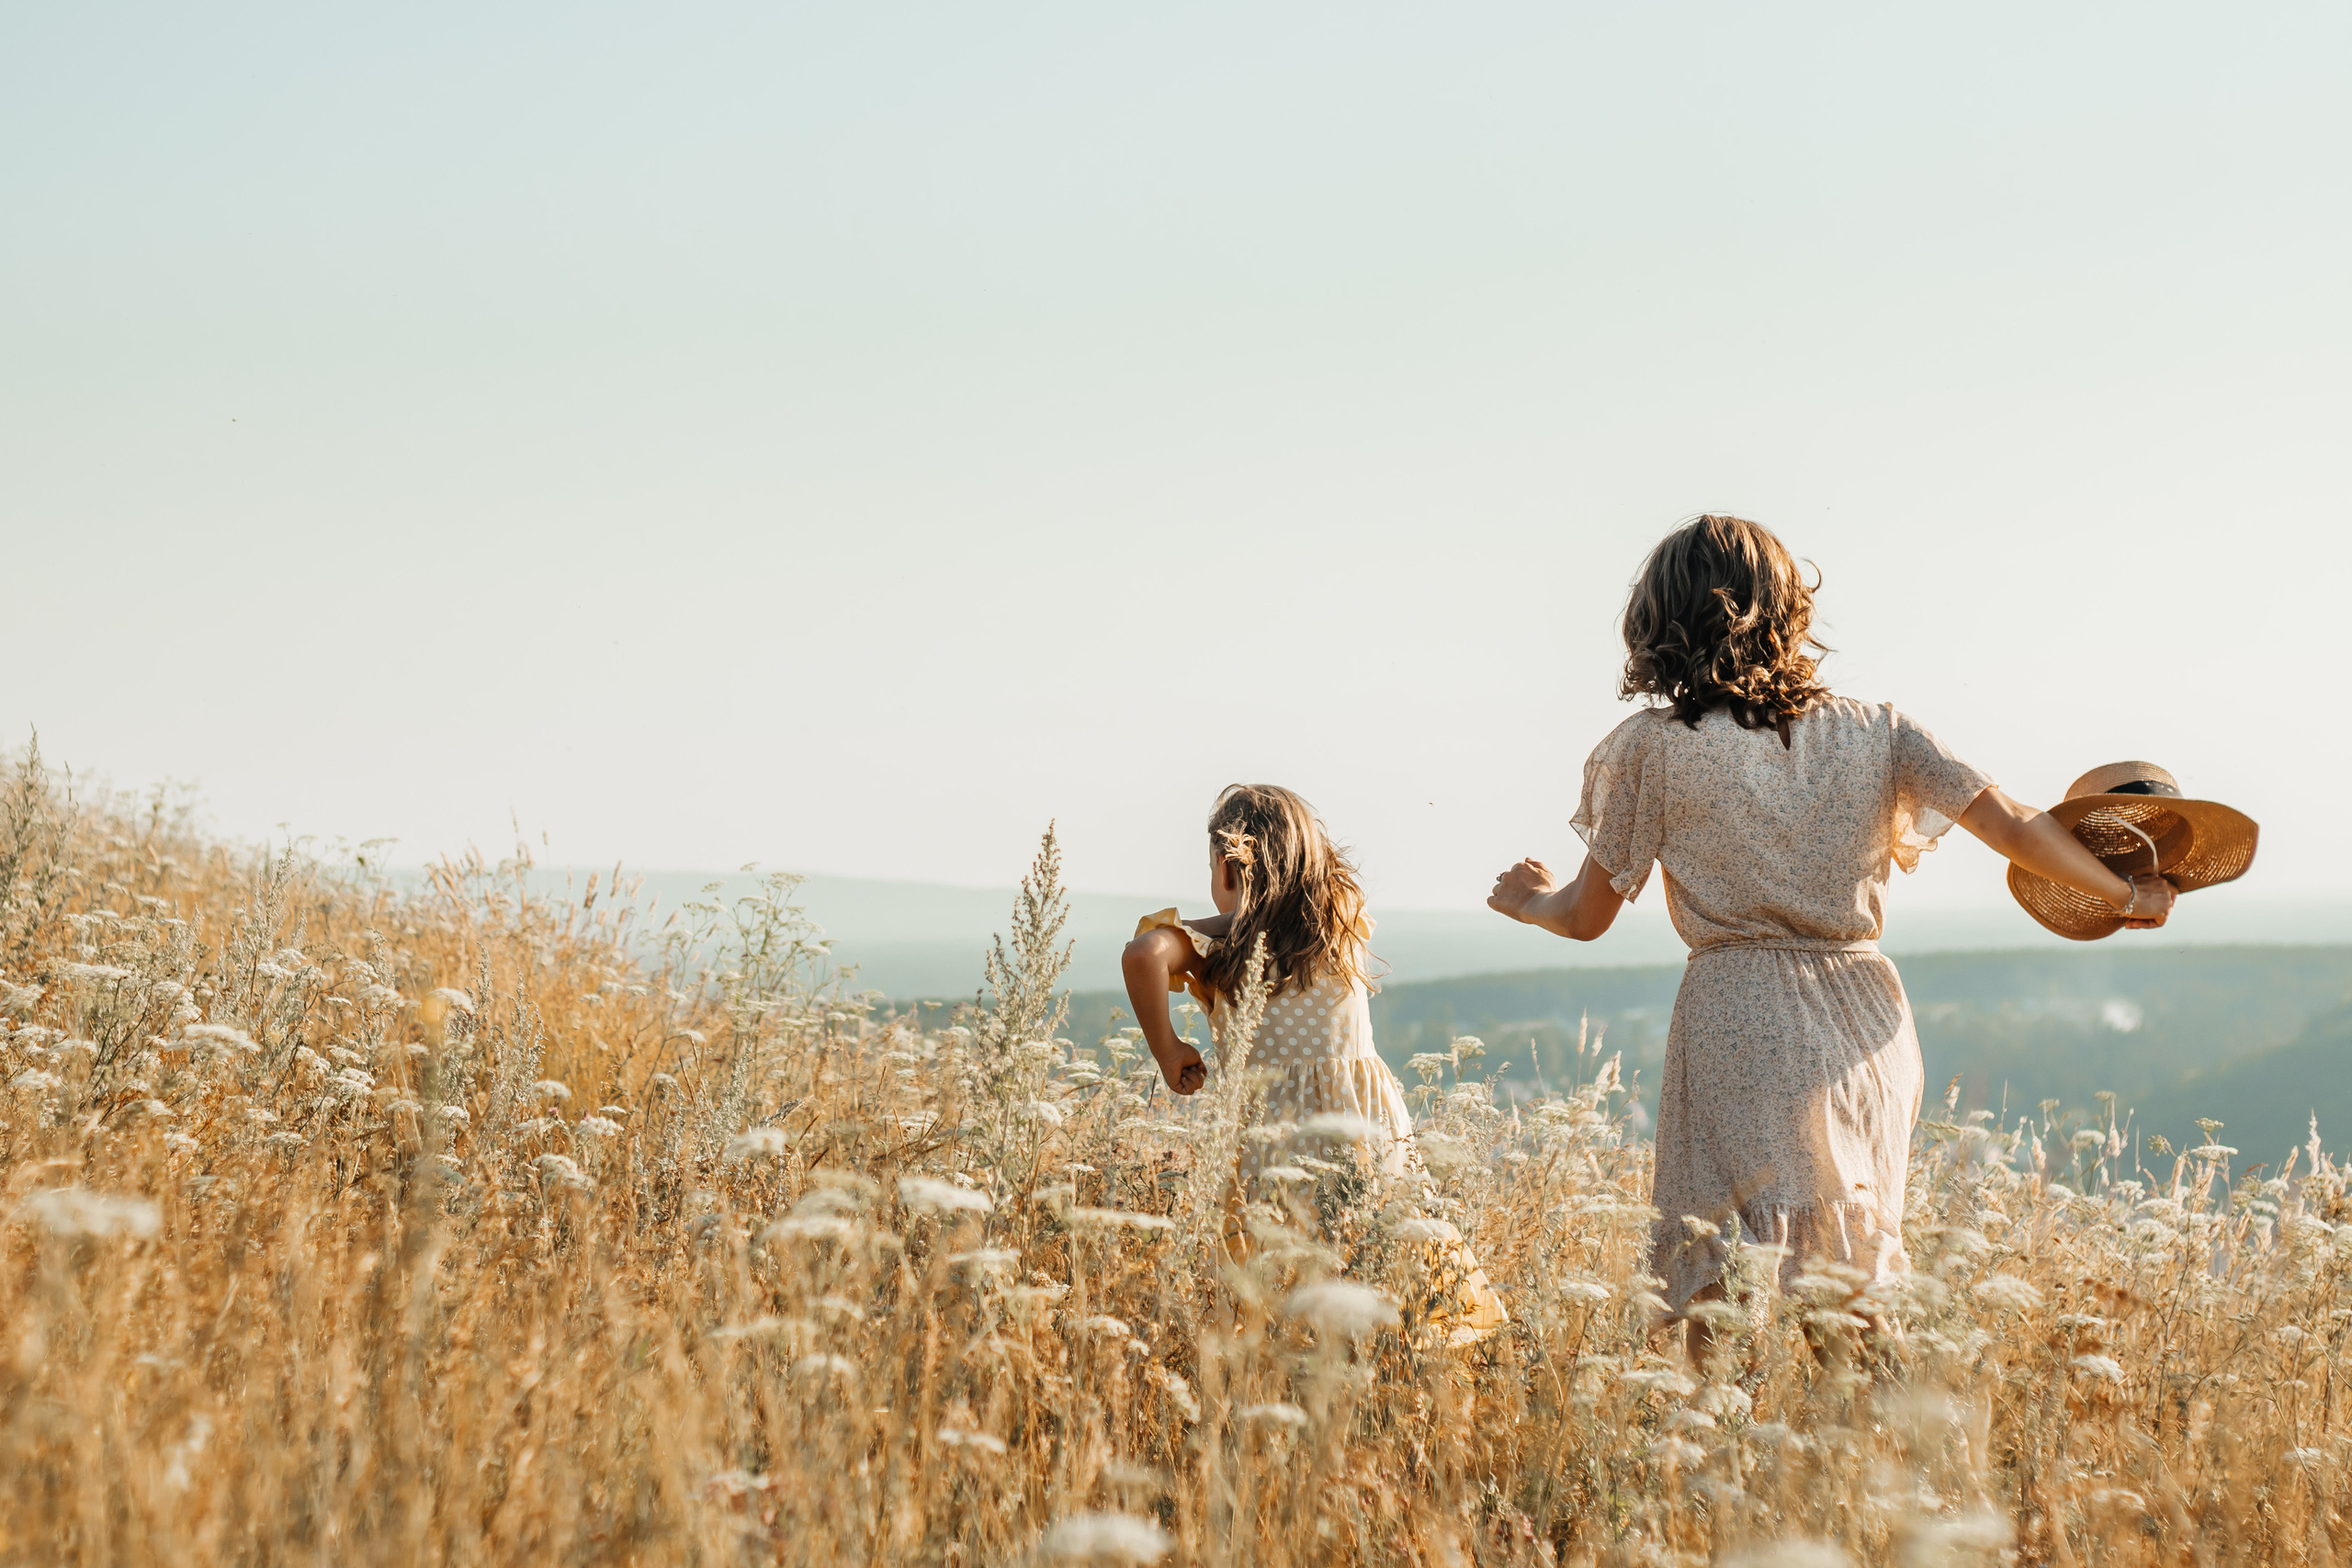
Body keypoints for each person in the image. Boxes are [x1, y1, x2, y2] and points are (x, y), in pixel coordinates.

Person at [1487, 515, 2173, 1364]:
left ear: (1659, 620)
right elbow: (2017, 823)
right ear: (1788, 611)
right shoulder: (1879, 729)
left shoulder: (1649, 751)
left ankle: (1709, 1471)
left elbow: (1587, 915)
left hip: (1739, 1012)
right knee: (1846, 1270)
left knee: (1710, 1275)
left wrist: (1527, 902)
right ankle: (1885, 1460)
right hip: (1866, 1018)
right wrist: (2124, 893)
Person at [1123, 783, 1507, 1344]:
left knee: (1281, 1284)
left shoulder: (1221, 948)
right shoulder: (1340, 922)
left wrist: (1169, 1050)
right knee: (1387, 1262)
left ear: (1229, 870)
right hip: (1366, 1131)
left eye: (1213, 868)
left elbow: (1142, 955)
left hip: (1274, 1144)